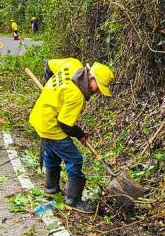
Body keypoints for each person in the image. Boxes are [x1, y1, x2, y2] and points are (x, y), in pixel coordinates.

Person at [29, 58, 114, 213]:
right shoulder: (76, 96)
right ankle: (73, 201)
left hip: (39, 116)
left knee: (53, 152)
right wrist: (80, 134)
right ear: (91, 78)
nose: (98, 92)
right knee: (74, 158)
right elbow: (66, 125)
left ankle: (51, 189)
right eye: (99, 88)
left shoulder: (72, 64)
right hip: (51, 125)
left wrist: (50, 90)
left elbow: (48, 64)